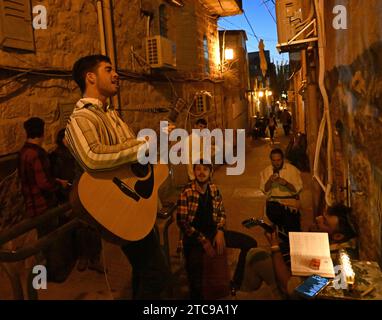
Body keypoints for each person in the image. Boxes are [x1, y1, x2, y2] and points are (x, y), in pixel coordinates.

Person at [65, 54, 172, 299]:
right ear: (90, 77)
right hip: (118, 207)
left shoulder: (112, 115)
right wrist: (141, 146)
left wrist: (157, 143)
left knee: (144, 271)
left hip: (133, 203)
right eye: (108, 69)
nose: (116, 74)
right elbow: (92, 156)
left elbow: (129, 160)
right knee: (156, 274)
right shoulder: (81, 118)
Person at [177, 160, 258, 299]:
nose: (201, 172)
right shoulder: (187, 192)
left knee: (250, 244)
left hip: (214, 233)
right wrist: (204, 241)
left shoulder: (213, 189)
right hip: (194, 239)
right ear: (194, 172)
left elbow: (221, 212)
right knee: (195, 278)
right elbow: (183, 222)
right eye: (198, 169)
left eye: (205, 169)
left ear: (210, 173)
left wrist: (220, 231)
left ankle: (236, 283)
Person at [241, 204, 357, 298]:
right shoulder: (337, 245)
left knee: (256, 258)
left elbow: (289, 288)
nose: (317, 219)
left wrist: (275, 247)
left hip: (291, 293)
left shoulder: (329, 265)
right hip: (295, 278)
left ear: (337, 236)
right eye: (322, 216)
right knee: (259, 254)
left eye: (325, 222)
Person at [18, 117, 69, 281]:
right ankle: (54, 275)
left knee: (40, 241)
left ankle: (39, 279)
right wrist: (59, 184)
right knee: (50, 240)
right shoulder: (37, 153)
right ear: (41, 131)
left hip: (30, 204)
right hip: (44, 204)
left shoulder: (22, 152)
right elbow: (44, 183)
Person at [50, 128, 103, 273]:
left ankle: (95, 258)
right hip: (69, 195)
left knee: (93, 227)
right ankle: (83, 258)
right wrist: (63, 186)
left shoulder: (78, 154)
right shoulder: (56, 156)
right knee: (79, 228)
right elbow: (54, 177)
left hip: (84, 193)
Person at [260, 148, 303, 245]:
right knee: (281, 216)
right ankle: (285, 241)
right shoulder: (266, 171)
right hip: (274, 203)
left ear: (282, 159)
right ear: (271, 160)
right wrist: (270, 181)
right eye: (274, 160)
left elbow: (297, 189)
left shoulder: (292, 170)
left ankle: (291, 242)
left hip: (290, 202)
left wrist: (286, 183)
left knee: (292, 223)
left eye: (278, 160)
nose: (276, 163)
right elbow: (264, 190)